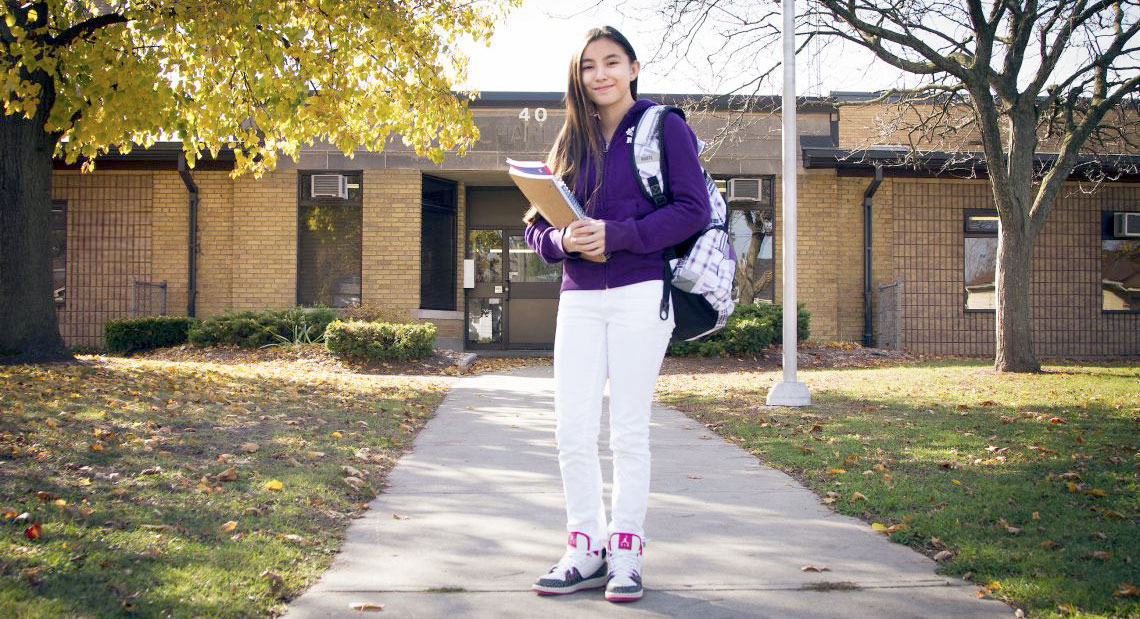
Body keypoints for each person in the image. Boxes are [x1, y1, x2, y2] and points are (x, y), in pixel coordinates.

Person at [524, 26, 709, 603]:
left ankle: (626, 552)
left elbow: (692, 210)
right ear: (577, 77)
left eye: (610, 62)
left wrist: (620, 235)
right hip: (577, 298)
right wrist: (562, 243)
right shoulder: (571, 139)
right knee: (572, 431)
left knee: (628, 431)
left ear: (633, 67)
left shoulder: (664, 127)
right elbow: (536, 225)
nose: (599, 74)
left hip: (639, 292)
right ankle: (585, 547)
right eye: (588, 66)